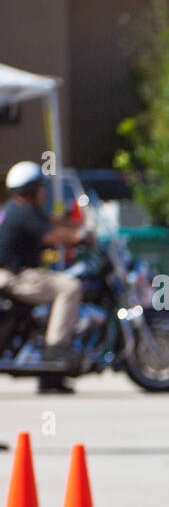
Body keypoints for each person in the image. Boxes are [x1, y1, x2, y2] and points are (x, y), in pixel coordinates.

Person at [0, 161, 90, 394]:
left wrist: (80, 226)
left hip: (15, 274)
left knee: (60, 283)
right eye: (41, 187)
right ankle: (55, 348)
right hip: (16, 277)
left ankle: (51, 376)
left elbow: (53, 222)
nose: (44, 192)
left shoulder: (19, 209)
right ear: (31, 191)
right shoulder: (22, 212)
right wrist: (79, 237)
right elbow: (51, 235)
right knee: (69, 286)